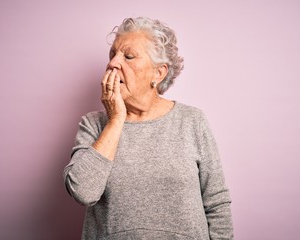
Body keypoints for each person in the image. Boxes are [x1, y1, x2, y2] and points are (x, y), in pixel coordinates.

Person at [63, 17, 233, 240]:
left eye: (128, 56)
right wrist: (115, 120)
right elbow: (83, 192)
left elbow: (217, 202)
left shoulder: (192, 120)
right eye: (112, 55)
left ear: (158, 73)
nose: (113, 63)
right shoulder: (93, 124)